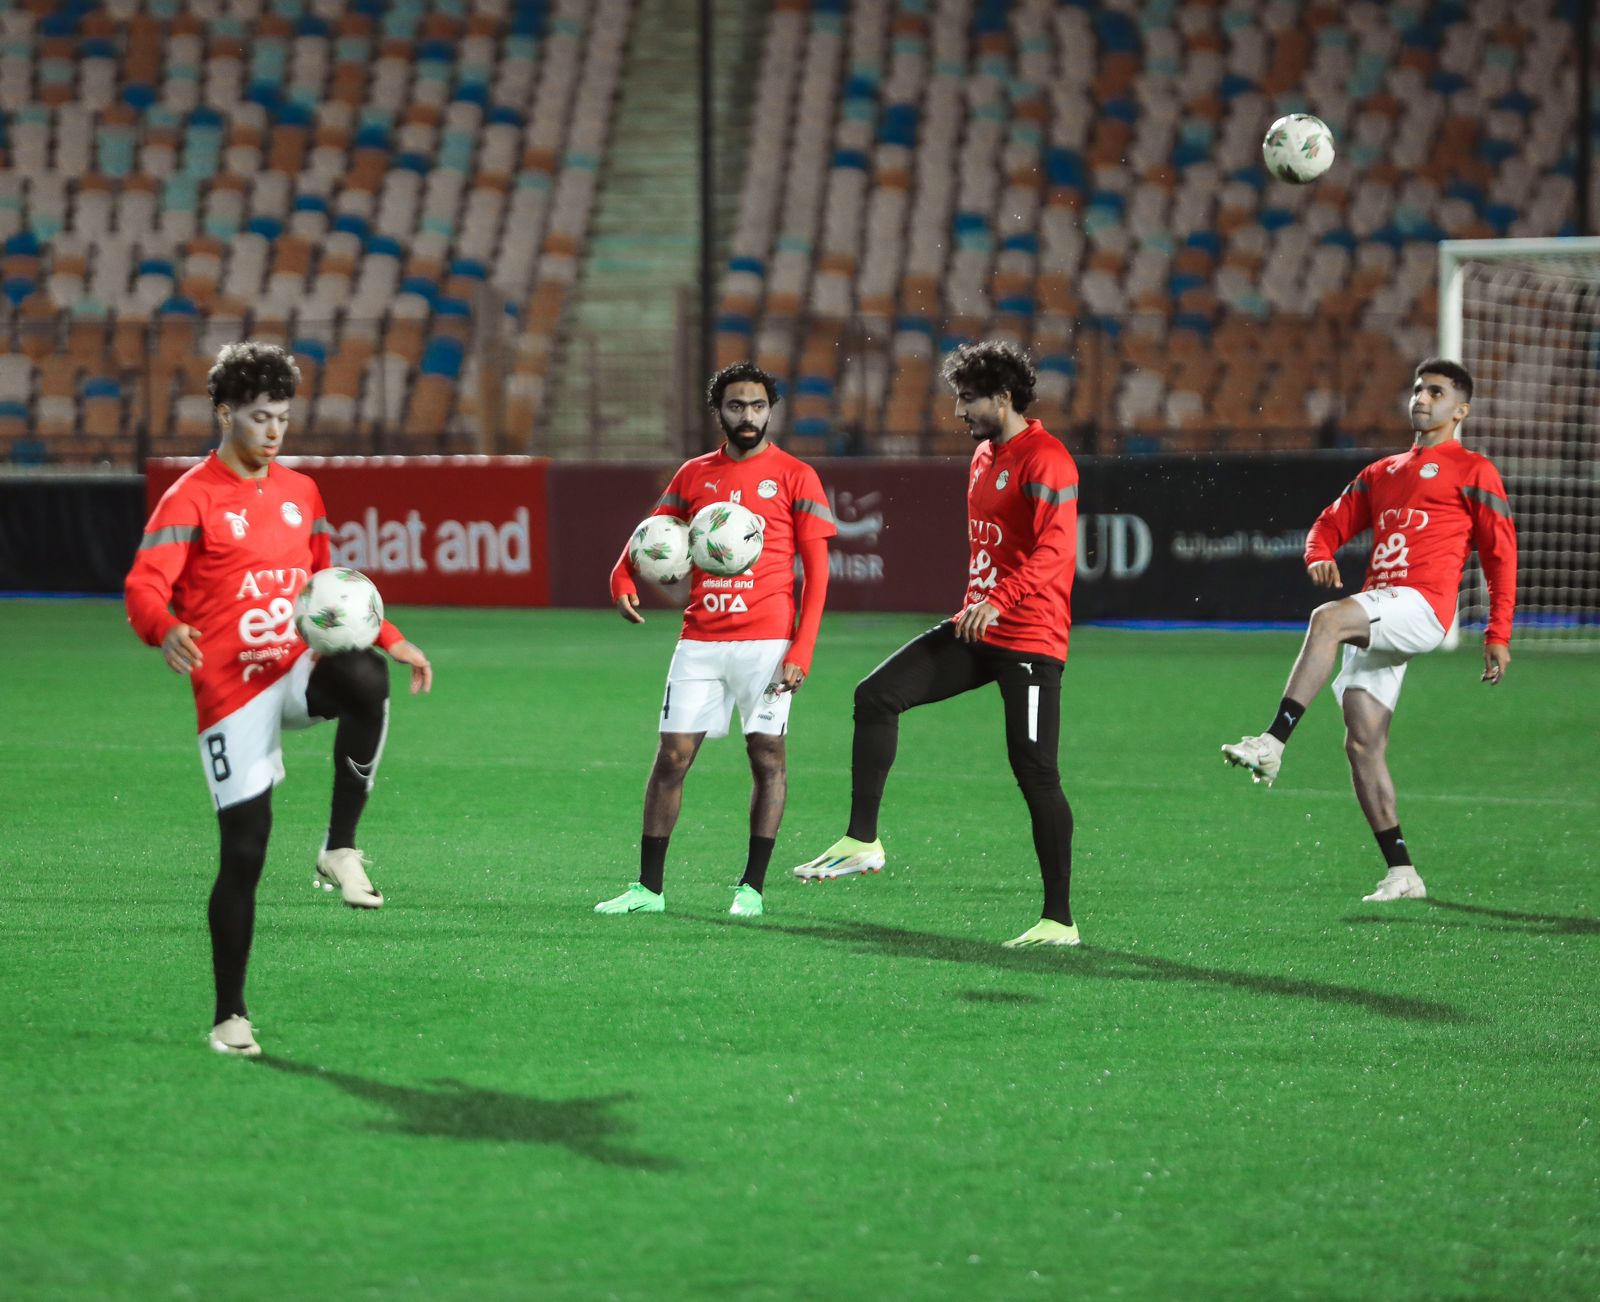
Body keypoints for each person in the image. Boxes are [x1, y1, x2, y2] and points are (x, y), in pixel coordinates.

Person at [124, 342, 433, 1057]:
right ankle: (229, 1016)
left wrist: (391, 638)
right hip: (231, 690)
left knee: (365, 678)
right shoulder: (190, 497)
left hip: (296, 670)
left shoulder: (301, 493)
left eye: (282, 418)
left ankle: (340, 847)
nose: (273, 431)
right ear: (224, 413)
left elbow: (332, 591)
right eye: (259, 417)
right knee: (244, 854)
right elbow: (144, 585)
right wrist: (164, 627)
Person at [793, 341, 1082, 948]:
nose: (957, 411)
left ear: (1003, 397)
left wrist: (1000, 599)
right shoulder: (982, 456)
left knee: (1036, 772)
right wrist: (981, 603)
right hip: (976, 628)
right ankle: (863, 841)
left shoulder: (1048, 460)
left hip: (1029, 639)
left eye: (968, 398)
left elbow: (1057, 552)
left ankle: (1059, 921)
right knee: (876, 695)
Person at [1221, 358, 1517, 902]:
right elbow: (1329, 523)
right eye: (1418, 389)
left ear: (1461, 410)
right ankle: (1403, 873)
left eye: (1437, 392)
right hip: (1383, 611)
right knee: (1362, 742)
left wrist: (1498, 632)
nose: (1422, 398)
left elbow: (1501, 553)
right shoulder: (1383, 472)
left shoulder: (1474, 470)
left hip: (1422, 606)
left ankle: (1272, 741)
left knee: (1327, 618)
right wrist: (1319, 553)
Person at [598, 362, 835, 918]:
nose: (748, 416)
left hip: (767, 644)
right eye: (736, 406)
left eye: (757, 406)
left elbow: (819, 574)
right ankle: (648, 890)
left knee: (766, 756)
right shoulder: (694, 474)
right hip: (700, 639)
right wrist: (620, 574)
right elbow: (652, 533)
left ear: (771, 410)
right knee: (672, 757)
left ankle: (751, 888)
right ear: (719, 412)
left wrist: (802, 649)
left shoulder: (797, 476)